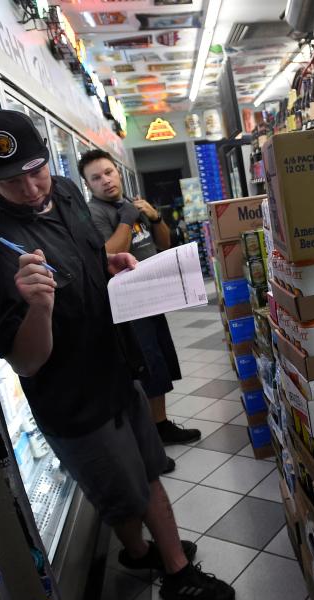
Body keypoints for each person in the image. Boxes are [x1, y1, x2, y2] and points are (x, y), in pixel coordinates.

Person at [0, 110, 234, 600]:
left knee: (148, 470)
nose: (28, 186)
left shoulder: (66, 192)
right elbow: (25, 362)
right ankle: (161, 563)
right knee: (123, 493)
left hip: (116, 366)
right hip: (72, 399)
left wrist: (107, 264)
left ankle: (163, 561)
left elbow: (88, 254)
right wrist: (39, 307)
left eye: (35, 168)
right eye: (9, 179)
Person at [77, 150, 199, 446]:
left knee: (159, 362)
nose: (105, 181)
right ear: (88, 185)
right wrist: (126, 219)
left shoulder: (131, 204)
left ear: (118, 172)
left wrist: (155, 217)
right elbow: (108, 254)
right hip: (129, 305)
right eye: (96, 178)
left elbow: (164, 242)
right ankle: (149, 434)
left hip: (153, 297)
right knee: (145, 367)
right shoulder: (96, 213)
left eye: (108, 172)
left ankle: (160, 425)